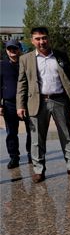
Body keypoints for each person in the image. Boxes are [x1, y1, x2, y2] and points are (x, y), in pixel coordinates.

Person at [16, 27, 70, 182]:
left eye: (44, 38)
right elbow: (22, 83)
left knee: (67, 135)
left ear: (49, 39)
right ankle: (39, 170)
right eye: (37, 39)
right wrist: (20, 105)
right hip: (37, 102)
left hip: (59, 100)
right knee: (37, 138)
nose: (41, 42)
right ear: (32, 41)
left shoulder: (60, 56)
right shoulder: (25, 59)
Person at [1, 39, 31, 168]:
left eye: (14, 48)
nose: (12, 51)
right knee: (11, 133)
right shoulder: (2, 65)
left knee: (32, 131)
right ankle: (14, 157)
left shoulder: (27, 63)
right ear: (6, 50)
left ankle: (32, 154)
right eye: (9, 49)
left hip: (28, 103)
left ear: (19, 49)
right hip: (9, 104)